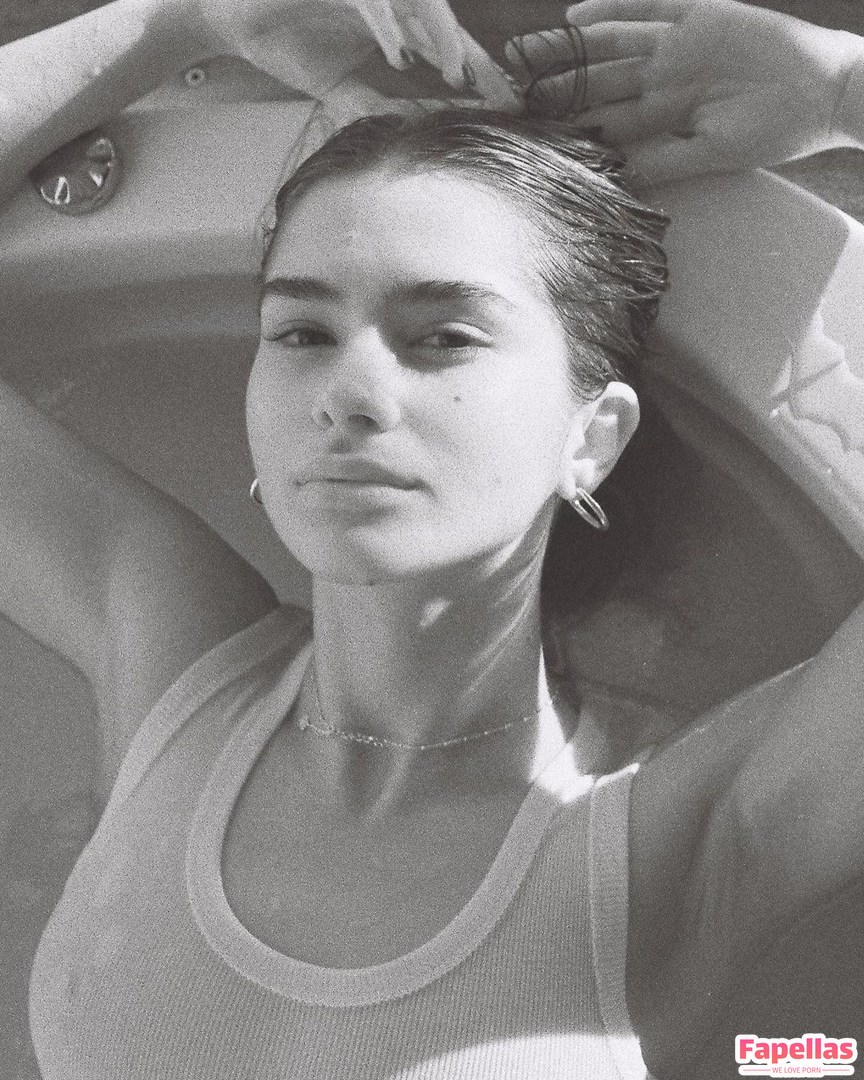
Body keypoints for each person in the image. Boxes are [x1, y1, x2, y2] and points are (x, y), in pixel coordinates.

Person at [1, 0, 863, 1076]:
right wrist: (181, 21)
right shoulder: (170, 664)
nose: (347, 393)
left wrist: (843, 89)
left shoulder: (682, 834)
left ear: (591, 437)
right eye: (302, 332)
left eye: (443, 336)